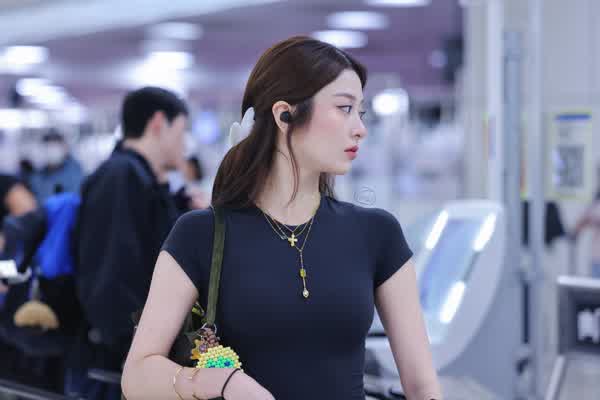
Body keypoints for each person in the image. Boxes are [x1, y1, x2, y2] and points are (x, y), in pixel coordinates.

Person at [122, 37, 442, 400]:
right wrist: (221, 382)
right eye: (344, 108)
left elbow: (422, 386)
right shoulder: (201, 234)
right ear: (284, 115)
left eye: (360, 112)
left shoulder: (377, 233)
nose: (360, 128)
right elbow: (137, 376)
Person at [68, 87, 188, 399]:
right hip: (114, 363)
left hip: (128, 357)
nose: (184, 144)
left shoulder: (141, 179)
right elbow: (111, 275)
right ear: (158, 123)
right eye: (181, 132)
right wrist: (133, 351)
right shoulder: (121, 176)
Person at [28, 129, 85, 202]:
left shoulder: (76, 174)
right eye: (48, 146)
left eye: (54, 146)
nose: (51, 151)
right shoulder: (36, 178)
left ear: (64, 147)